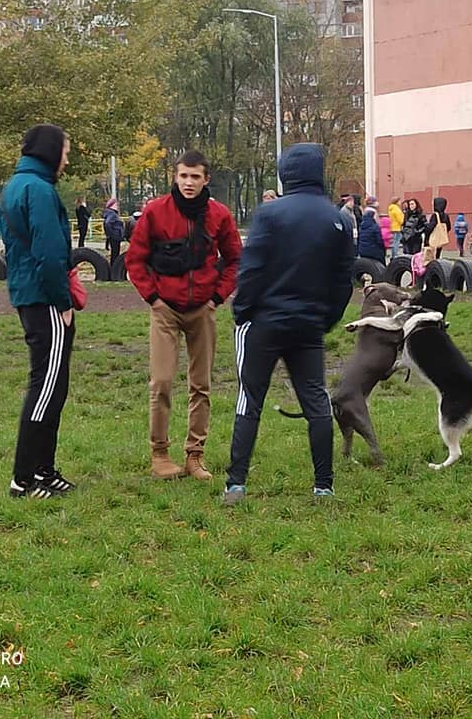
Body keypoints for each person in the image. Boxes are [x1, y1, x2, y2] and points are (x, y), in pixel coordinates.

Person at [224, 143, 354, 504]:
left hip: (265, 320)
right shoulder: (339, 219)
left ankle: (236, 484)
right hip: (308, 324)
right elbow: (344, 279)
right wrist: (326, 319)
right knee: (316, 401)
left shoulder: (270, 213)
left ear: (285, 173)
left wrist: (243, 311)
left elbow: (252, 269)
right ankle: (323, 485)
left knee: (249, 399)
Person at [125, 150, 242, 480]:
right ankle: (159, 454)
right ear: (175, 177)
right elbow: (135, 259)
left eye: (195, 177)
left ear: (206, 179)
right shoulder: (155, 212)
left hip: (202, 309)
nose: (188, 182)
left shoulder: (218, 215)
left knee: (200, 385)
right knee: (161, 381)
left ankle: (195, 455)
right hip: (165, 309)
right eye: (183, 176)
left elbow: (234, 259)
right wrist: (153, 298)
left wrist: (217, 298)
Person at [0, 123, 76, 500]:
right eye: (65, 150)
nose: (67, 158)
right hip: (44, 299)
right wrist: (63, 302)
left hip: (26, 292)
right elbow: (48, 253)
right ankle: (24, 479)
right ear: (49, 151)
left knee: (53, 386)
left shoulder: (17, 185)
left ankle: (44, 470)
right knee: (46, 387)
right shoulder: (40, 191)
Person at [103, 198, 124, 266]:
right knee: (115, 253)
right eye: (116, 204)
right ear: (111, 205)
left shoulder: (110, 213)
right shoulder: (112, 214)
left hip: (114, 236)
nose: (117, 206)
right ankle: (114, 268)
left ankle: (113, 267)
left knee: (114, 253)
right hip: (115, 236)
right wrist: (113, 234)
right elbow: (107, 223)